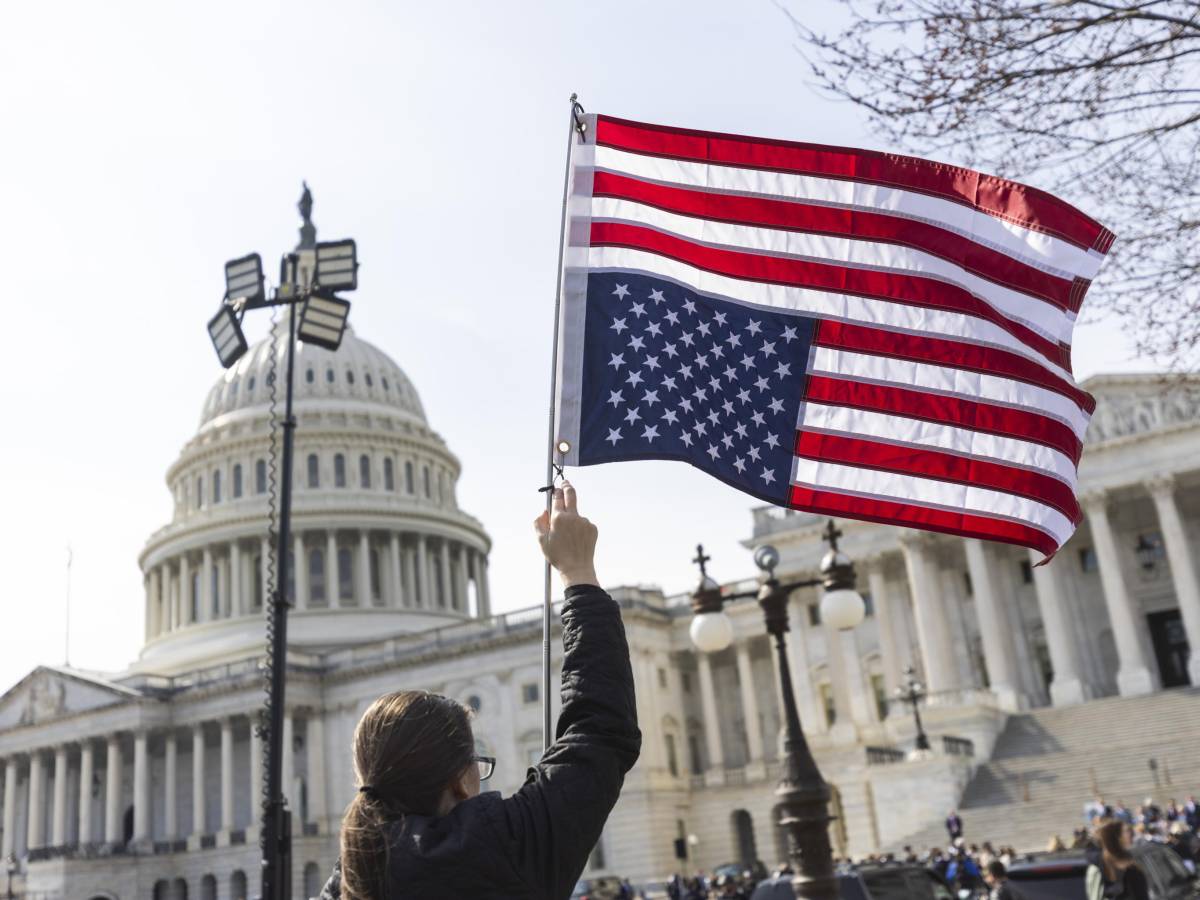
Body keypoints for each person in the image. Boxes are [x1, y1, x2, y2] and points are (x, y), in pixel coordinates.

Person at [318, 482, 641, 899]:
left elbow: (597, 734)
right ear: (461, 780)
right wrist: (577, 573)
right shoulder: (510, 847)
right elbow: (599, 731)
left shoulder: (351, 880)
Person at [1086, 820, 1150, 900]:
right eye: (1126, 831)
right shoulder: (1098, 867)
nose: (1131, 834)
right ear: (1117, 837)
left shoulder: (1131, 861)